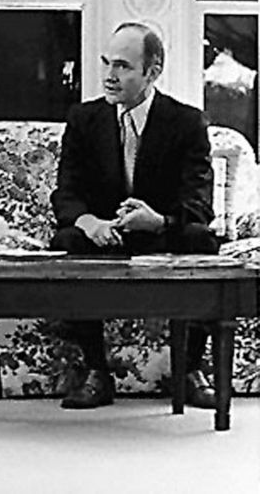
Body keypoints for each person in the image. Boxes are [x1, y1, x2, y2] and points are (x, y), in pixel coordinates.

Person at [50, 21, 219, 410]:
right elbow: (66, 192)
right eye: (107, 63)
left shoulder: (187, 122)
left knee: (201, 240)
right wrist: (89, 222)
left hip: (159, 231)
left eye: (123, 66)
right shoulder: (83, 119)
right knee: (68, 242)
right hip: (102, 236)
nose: (110, 76)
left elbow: (199, 202)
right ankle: (95, 370)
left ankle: (190, 368)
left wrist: (157, 220)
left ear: (152, 72)